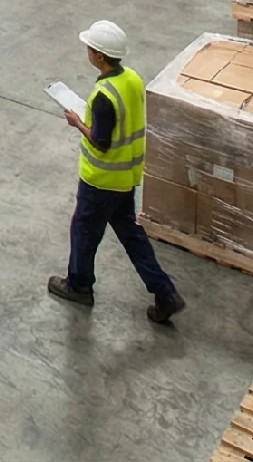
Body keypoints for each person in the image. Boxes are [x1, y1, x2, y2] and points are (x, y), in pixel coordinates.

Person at [48, 20, 186, 324]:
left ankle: (79, 286)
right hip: (126, 177)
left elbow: (100, 142)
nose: (87, 51)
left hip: (101, 181)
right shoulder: (132, 79)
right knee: (131, 234)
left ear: (99, 55)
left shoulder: (103, 96)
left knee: (84, 231)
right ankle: (165, 292)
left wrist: (77, 122)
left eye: (90, 48)